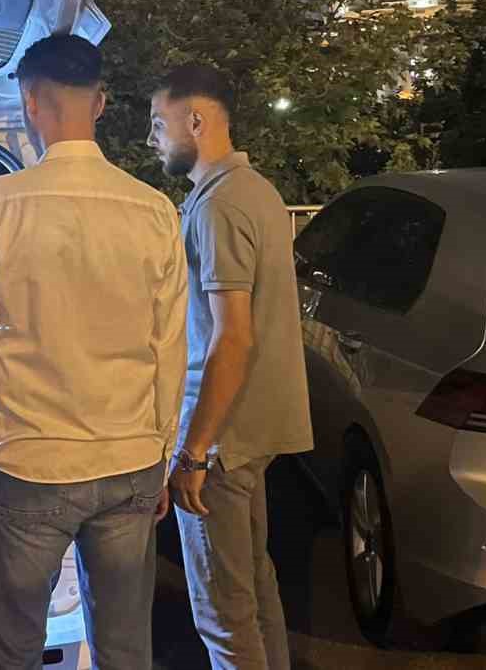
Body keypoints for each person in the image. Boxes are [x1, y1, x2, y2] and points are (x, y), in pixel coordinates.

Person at [0, 35, 189, 670]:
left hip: (28, 463)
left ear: (30, 103)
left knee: (14, 651)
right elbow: (169, 351)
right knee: (125, 650)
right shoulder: (154, 211)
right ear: (100, 103)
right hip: (129, 460)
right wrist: (162, 453)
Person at [148, 65, 313, 670]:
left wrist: (194, 451)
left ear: (195, 120)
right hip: (251, 430)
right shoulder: (255, 190)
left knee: (222, 612)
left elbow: (232, 336)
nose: (152, 139)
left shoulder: (219, 205)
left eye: (158, 124)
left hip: (223, 435)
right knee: (253, 589)